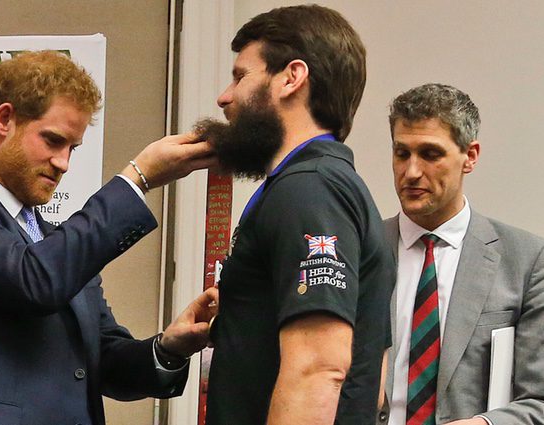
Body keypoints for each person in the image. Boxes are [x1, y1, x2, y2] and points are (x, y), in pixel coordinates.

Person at [0, 50, 218, 425]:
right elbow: (32, 283)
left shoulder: (57, 246)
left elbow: (105, 361)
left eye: (72, 148)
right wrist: (136, 179)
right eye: (53, 141)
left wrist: (170, 347)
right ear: (5, 120)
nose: (64, 162)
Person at [196, 5, 395, 424]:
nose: (224, 97)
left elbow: (319, 368)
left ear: (292, 77)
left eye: (240, 76)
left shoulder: (309, 189)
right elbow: (372, 380)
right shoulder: (328, 185)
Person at [380, 83, 544, 425]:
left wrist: (483, 424)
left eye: (430, 154)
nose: (411, 172)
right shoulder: (361, 248)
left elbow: (538, 399)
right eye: (401, 153)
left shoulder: (525, 260)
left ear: (470, 156)